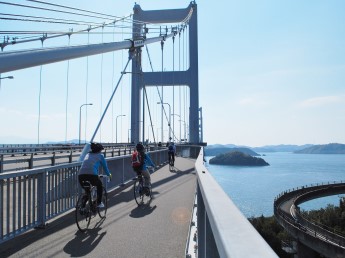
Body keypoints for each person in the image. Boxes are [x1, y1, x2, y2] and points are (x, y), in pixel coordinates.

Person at [78, 142, 112, 208]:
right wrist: (109, 175)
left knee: (88, 191)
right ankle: (99, 203)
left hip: (81, 175)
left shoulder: (87, 154)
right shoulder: (100, 156)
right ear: (99, 150)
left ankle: (82, 206)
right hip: (92, 175)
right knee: (100, 186)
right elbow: (105, 167)